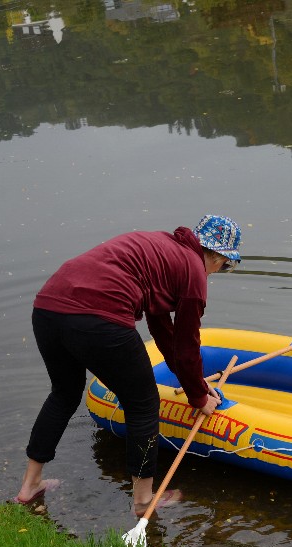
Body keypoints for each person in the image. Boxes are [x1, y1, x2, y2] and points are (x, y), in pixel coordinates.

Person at [13, 215, 242, 517]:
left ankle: (30, 486)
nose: (219, 272)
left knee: (64, 394)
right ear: (217, 256)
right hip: (100, 316)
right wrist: (199, 397)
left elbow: (163, 329)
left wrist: (192, 383)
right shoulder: (195, 273)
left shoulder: (164, 248)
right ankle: (144, 501)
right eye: (226, 266)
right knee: (143, 404)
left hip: (48, 308)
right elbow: (187, 346)